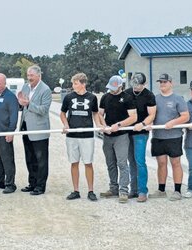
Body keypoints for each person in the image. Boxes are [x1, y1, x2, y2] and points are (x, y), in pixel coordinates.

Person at [60, 72, 104, 201]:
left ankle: (91, 191)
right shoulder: (68, 97)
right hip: (72, 135)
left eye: (75, 83)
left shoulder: (92, 98)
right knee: (74, 162)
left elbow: (95, 114)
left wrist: (99, 126)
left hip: (87, 135)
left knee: (88, 163)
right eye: (73, 83)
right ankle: (76, 190)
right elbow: (62, 113)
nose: (73, 85)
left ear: (83, 84)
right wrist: (66, 125)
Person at [148, 73, 188, 201]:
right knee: (161, 163)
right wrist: (148, 123)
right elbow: (151, 114)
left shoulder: (178, 99)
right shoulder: (155, 99)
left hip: (174, 137)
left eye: (165, 82)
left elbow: (185, 116)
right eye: (160, 82)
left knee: (175, 163)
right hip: (158, 136)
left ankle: (177, 190)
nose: (162, 84)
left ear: (171, 83)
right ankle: (161, 189)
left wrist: (173, 122)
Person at [99, 75, 137, 203]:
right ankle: (113, 188)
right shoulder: (105, 97)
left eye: (114, 88)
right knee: (110, 163)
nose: (111, 90)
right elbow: (99, 114)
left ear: (120, 86)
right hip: (107, 135)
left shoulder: (127, 98)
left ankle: (123, 191)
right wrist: (102, 125)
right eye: (110, 87)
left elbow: (133, 118)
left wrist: (119, 125)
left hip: (121, 135)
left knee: (122, 163)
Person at [18, 65, 52, 196]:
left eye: (31, 75)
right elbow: (23, 104)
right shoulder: (26, 87)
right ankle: (32, 183)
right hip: (26, 127)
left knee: (41, 159)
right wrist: (21, 103)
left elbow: (43, 110)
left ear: (39, 76)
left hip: (39, 130)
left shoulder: (46, 90)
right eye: (28, 75)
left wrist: (28, 104)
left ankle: (40, 186)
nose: (29, 78)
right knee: (29, 157)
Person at [127, 73, 156, 201]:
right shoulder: (127, 93)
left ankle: (142, 191)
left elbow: (152, 114)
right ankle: (133, 189)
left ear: (144, 84)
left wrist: (143, 124)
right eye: (134, 84)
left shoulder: (149, 95)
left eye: (139, 84)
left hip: (141, 133)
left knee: (140, 161)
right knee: (131, 161)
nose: (136, 87)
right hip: (127, 131)